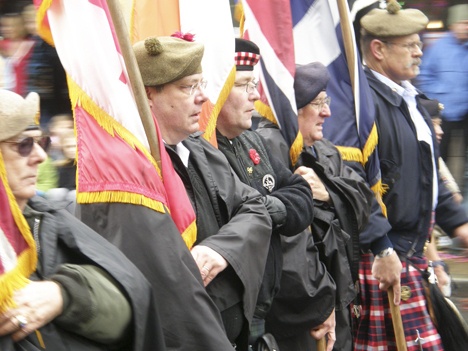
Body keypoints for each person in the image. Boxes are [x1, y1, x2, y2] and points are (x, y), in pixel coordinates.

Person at [81, 33, 272, 351]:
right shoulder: (127, 176)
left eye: (201, 84)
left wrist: (221, 249)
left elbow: (255, 208)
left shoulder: (199, 151)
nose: (203, 98)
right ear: (148, 97)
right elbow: (166, 290)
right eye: (188, 87)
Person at [0, 89, 165, 350]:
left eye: (40, 142)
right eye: (23, 145)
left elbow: (132, 303)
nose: (41, 157)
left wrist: (63, 294)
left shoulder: (50, 217)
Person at [357, 1, 468, 349]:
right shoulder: (363, 105)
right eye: (410, 45)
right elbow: (354, 183)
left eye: (419, 43)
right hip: (386, 256)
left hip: (411, 253)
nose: (420, 52)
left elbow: (429, 175)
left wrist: (459, 223)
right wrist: (381, 248)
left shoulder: (412, 100)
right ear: (378, 49)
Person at [257, 62, 377, 351]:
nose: (328, 112)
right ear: (293, 108)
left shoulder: (323, 150)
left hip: (333, 300)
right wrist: (317, 305)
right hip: (302, 315)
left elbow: (364, 202)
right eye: (318, 103)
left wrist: (327, 193)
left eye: (327, 101)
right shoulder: (268, 148)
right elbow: (289, 245)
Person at [215, 38, 315, 349]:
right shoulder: (202, 151)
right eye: (244, 85)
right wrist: (270, 209)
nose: (256, 95)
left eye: (254, 84)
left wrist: (270, 210)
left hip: (260, 303)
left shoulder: (252, 142)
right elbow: (233, 212)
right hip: (225, 309)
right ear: (217, 91)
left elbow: (301, 196)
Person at [416, 4, 468, 191]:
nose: (466, 27)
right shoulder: (438, 48)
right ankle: (442, 190)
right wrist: (437, 100)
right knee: (441, 154)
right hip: (444, 113)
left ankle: (461, 188)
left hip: (465, 114)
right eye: (463, 23)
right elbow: (425, 75)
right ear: (453, 25)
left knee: (464, 155)